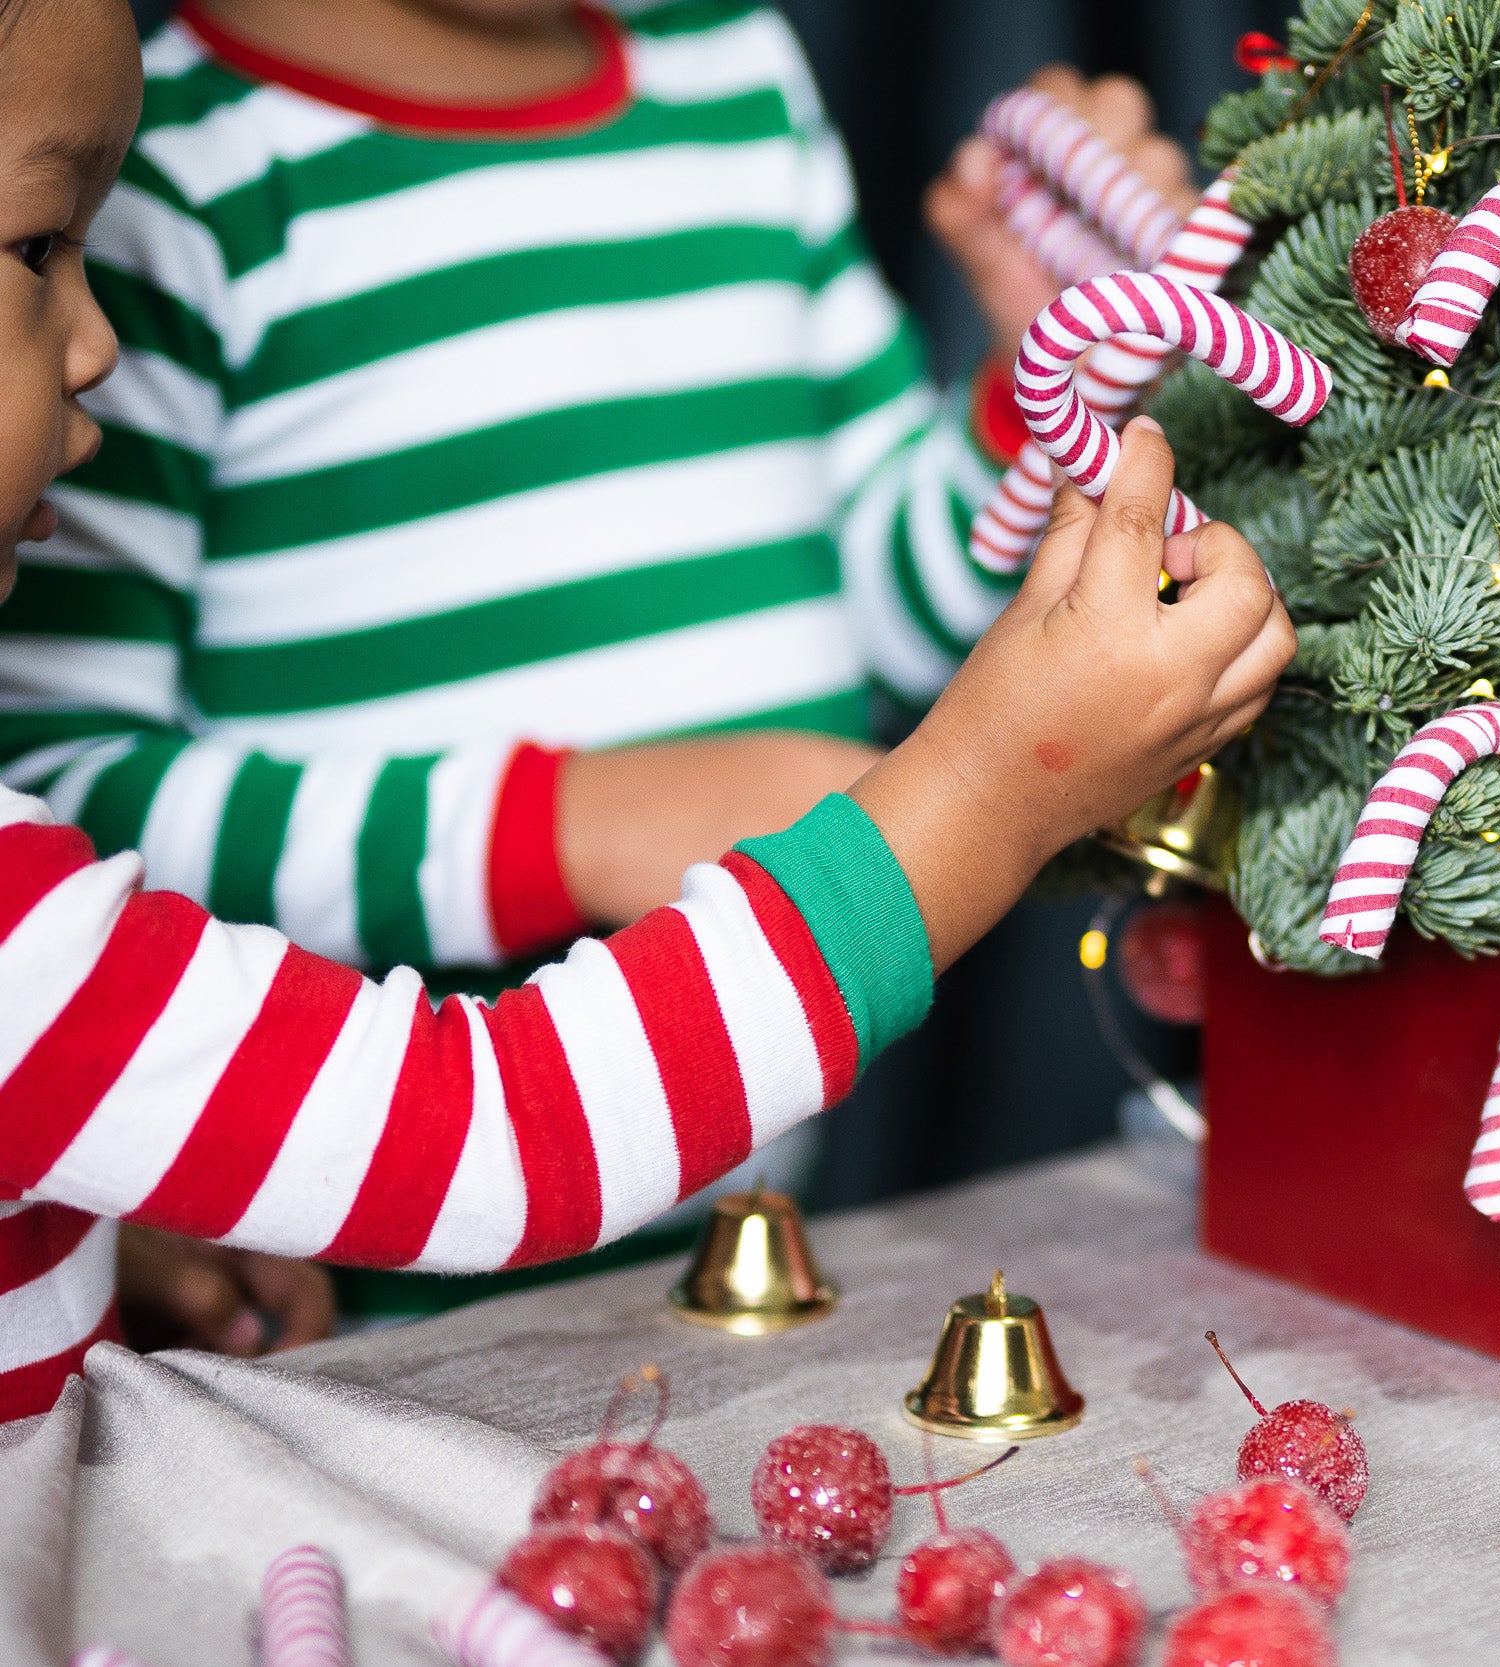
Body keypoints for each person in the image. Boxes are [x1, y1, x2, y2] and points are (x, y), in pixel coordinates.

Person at [0, 0, 1293, 1424]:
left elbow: (887, 584)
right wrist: (569, 825)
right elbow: (67, 790)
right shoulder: (157, 161)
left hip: (740, 1222)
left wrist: (1034, 392)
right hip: (330, 1290)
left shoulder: (733, 71)